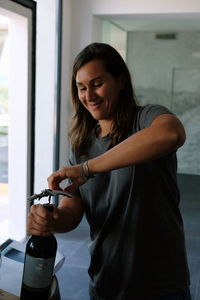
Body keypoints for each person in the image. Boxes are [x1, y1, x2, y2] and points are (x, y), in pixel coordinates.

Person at [28, 43, 191, 300]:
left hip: (160, 284)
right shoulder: (81, 143)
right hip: (106, 280)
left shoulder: (146, 118)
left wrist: (87, 168)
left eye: (97, 83)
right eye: (81, 88)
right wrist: (51, 220)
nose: (88, 95)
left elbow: (172, 133)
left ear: (121, 80)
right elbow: (73, 211)